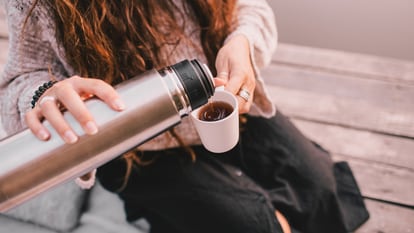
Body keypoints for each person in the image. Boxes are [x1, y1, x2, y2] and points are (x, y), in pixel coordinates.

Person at [0, 0, 369, 232]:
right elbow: (19, 79)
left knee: (320, 190)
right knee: (257, 224)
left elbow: (248, 7)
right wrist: (42, 97)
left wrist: (241, 43)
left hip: (222, 102)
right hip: (138, 147)